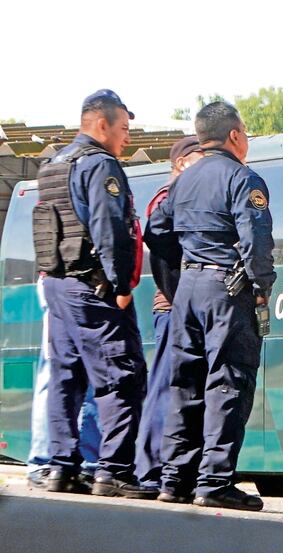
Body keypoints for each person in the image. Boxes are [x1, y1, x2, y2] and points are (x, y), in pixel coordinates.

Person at [146, 102, 275, 511]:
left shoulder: (182, 180)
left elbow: (155, 231)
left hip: (187, 290)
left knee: (184, 382)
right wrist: (260, 286)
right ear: (235, 136)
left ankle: (174, 480)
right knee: (229, 382)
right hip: (226, 288)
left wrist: (178, 279)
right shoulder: (242, 178)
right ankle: (214, 482)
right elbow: (255, 239)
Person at [32, 89, 152, 498]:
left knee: (66, 378)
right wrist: (120, 286)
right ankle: (115, 471)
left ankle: (60, 468)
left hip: (56, 285)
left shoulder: (52, 165)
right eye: (123, 128)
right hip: (91, 287)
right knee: (123, 377)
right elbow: (109, 229)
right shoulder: (101, 165)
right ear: (101, 124)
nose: (127, 139)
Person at [134, 136, 204, 491]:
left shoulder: (196, 196)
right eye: (198, 158)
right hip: (173, 308)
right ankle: (149, 472)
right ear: (179, 163)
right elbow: (159, 246)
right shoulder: (168, 198)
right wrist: (178, 295)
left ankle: (178, 471)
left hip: (190, 308)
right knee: (165, 388)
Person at [27, 276, 101, 490]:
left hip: (64, 278)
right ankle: (45, 461)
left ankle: (53, 462)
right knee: (57, 374)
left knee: (60, 374)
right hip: (67, 279)